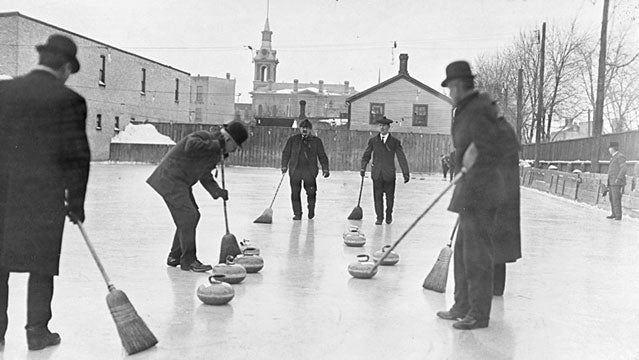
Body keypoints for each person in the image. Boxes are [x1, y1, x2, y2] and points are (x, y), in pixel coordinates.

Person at [0, 34, 90, 350]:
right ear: (65, 67)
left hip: (3, 195)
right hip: (44, 197)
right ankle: (37, 331)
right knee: (41, 266)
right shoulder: (70, 101)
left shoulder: (4, 91)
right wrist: (76, 202)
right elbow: (78, 157)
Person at [435, 60, 520, 330]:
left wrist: (477, 157)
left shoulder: (480, 108)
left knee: (477, 255)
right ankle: (462, 305)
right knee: (462, 253)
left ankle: (478, 314)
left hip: (482, 192)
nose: (450, 93)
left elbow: (501, 143)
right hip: (470, 190)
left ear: (458, 86)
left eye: (450, 88)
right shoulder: (467, 109)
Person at [147, 121, 248, 272]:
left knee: (192, 216)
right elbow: (190, 145)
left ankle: (175, 256)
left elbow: (204, 174)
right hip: (170, 179)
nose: (234, 151)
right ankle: (188, 260)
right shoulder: (205, 137)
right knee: (189, 216)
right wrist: (216, 144)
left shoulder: (215, 152)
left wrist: (217, 191)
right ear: (228, 139)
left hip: (180, 182)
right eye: (235, 146)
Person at [360, 117, 410, 225]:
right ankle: (379, 217)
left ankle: (388, 215)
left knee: (390, 198)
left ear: (388, 127)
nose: (382, 128)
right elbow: (366, 155)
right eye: (380, 126)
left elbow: (401, 157)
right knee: (377, 197)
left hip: (389, 175)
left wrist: (405, 173)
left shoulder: (395, 142)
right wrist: (363, 167)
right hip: (377, 174)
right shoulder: (373, 141)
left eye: (384, 126)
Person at [281, 118, 330, 220]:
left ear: (310, 130)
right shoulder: (293, 140)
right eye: (303, 127)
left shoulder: (316, 141)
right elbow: (286, 153)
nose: (304, 130)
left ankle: (311, 210)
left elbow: (322, 156)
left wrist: (325, 169)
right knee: (295, 193)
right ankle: (297, 214)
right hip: (295, 170)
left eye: (307, 128)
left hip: (309, 171)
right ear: (299, 128)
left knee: (311, 193)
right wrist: (284, 165)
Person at [606, 141, 627, 220]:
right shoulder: (613, 157)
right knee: (611, 198)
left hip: (616, 182)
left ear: (614, 148)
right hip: (612, 182)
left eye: (610, 148)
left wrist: (619, 178)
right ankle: (614, 213)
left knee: (616, 198)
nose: (609, 149)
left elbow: (623, 168)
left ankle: (618, 215)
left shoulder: (620, 156)